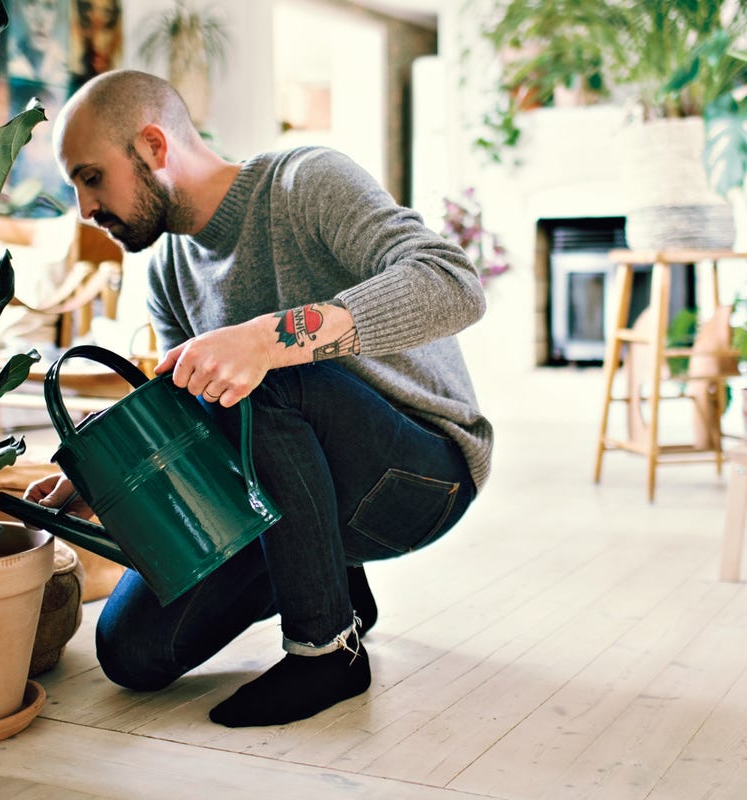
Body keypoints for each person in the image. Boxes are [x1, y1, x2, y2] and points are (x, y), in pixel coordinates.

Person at [27, 69, 493, 728]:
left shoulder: (307, 182)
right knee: (132, 650)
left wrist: (269, 340)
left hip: (421, 475)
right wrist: (106, 478)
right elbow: (187, 413)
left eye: (92, 177)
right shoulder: (166, 269)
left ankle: (325, 649)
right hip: (295, 478)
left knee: (255, 383)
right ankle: (335, 584)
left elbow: (454, 285)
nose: (85, 210)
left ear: (155, 148)